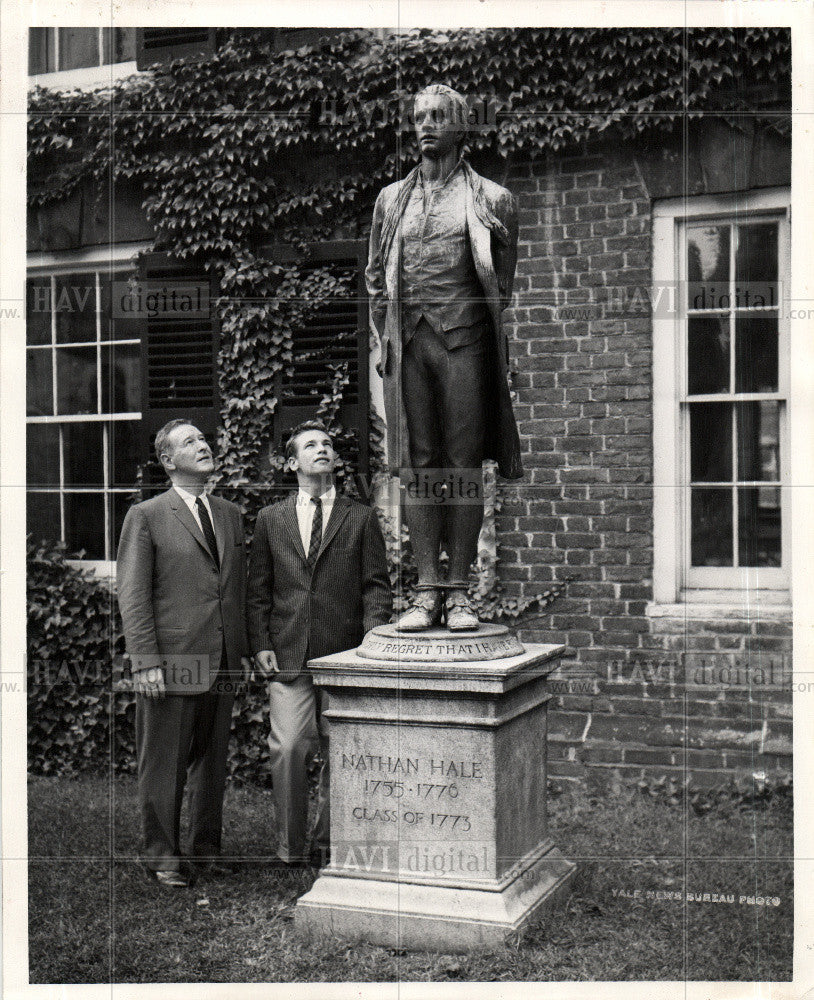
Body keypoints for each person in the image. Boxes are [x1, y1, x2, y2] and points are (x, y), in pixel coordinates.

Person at [365, 83, 522, 631]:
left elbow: (501, 287)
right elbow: (375, 282)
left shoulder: (493, 199)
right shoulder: (391, 200)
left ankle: (459, 593)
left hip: (465, 344)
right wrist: (386, 341)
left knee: (462, 465)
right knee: (418, 465)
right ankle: (426, 589)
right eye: (419, 116)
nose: (426, 124)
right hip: (409, 344)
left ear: (460, 127)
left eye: (438, 116)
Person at [247, 420, 392, 867]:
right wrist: (261, 642)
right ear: (292, 462)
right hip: (288, 652)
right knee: (288, 747)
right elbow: (258, 589)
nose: (323, 449)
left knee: (342, 752)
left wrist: (369, 641)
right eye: (310, 444)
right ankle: (290, 849)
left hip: (345, 654)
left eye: (328, 443)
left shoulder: (360, 516)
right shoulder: (271, 519)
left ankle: (330, 843)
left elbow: (375, 585)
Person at [117, 419, 251, 888]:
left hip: (224, 657)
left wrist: (245, 651)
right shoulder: (147, 515)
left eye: (204, 437)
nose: (204, 443)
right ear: (169, 460)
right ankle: (161, 857)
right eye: (191, 441)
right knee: (165, 761)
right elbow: (132, 595)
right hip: (172, 659)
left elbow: (236, 591)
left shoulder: (230, 514)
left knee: (212, 763)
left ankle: (206, 849)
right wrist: (145, 662)